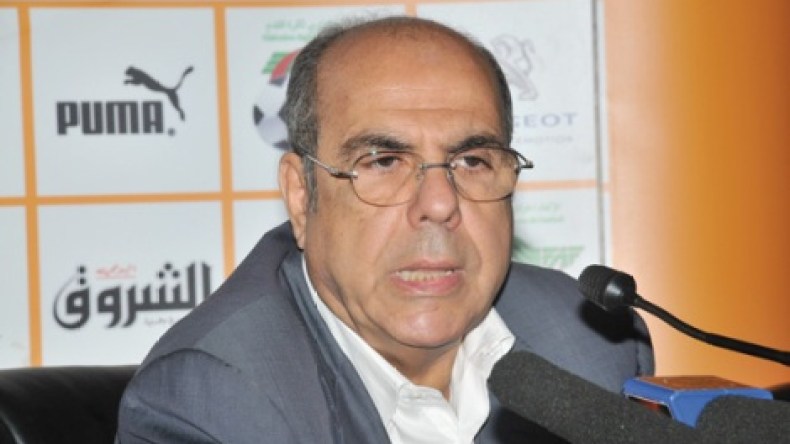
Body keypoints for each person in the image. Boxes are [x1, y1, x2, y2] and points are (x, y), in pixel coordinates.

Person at [116, 15, 653, 443]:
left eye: (471, 161)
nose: (439, 204)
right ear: (302, 197)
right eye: (384, 161)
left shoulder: (594, 344)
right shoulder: (214, 399)